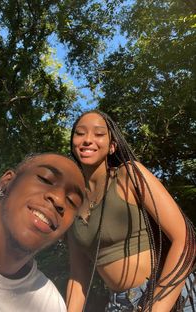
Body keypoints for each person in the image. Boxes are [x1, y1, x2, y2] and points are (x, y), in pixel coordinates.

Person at [66, 110, 196, 312]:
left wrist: (157, 306)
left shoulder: (129, 174)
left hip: (169, 294)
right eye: (80, 133)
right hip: (121, 305)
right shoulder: (72, 204)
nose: (88, 140)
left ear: (112, 146)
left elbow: (185, 238)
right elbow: (78, 277)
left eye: (99, 134)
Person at [0, 152, 87, 312]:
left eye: (72, 201)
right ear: (7, 182)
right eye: (45, 179)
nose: (59, 200)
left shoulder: (50, 305)